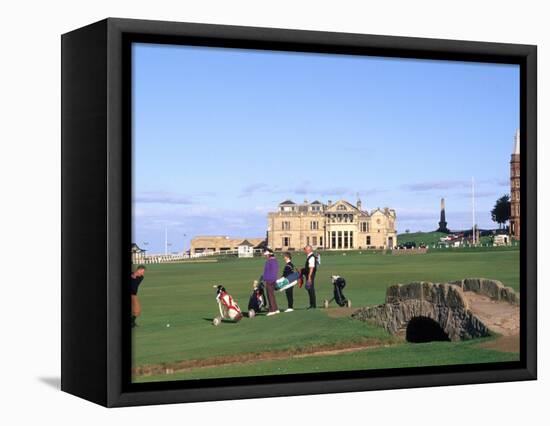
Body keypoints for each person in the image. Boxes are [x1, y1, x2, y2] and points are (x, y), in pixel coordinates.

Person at [262, 248, 280, 316]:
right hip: (274, 279)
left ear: (269, 255)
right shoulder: (275, 261)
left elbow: (267, 272)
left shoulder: (269, 261)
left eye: (266, 255)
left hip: (269, 280)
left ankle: (272, 310)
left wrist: (264, 279)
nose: (265, 256)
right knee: (272, 295)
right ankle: (276, 309)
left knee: (270, 295)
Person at [301, 245, 317, 309]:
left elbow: (311, 268)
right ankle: (312, 304)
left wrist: (309, 277)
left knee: (310, 289)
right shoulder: (309, 256)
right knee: (310, 289)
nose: (304, 250)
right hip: (309, 274)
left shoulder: (311, 257)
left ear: (308, 250)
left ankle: (313, 305)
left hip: (310, 275)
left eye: (305, 249)